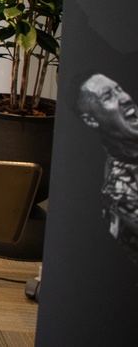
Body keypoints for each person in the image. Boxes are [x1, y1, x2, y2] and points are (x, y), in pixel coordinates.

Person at [78, 73, 138, 262]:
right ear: (91, 120)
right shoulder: (121, 191)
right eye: (108, 96)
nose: (125, 98)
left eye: (119, 89)